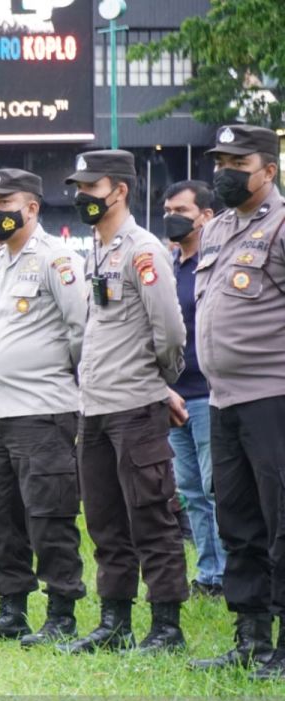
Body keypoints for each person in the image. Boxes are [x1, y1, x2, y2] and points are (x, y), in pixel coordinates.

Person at [60, 149, 189, 655]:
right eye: (79, 188)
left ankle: (166, 627)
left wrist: (159, 383)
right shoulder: (95, 249)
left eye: (91, 188)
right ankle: (115, 622)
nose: (81, 197)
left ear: (119, 191)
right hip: (94, 409)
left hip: (135, 406)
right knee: (106, 521)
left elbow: (171, 333)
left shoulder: (143, 250)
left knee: (151, 518)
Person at [0, 168, 88, 646]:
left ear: (31, 207)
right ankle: (11, 610)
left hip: (43, 410)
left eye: (4, 201)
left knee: (48, 515)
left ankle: (61, 615)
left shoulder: (58, 259)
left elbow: (82, 333)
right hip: (1, 415)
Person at [190, 124, 285, 678]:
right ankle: (250, 635)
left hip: (273, 396)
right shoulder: (218, 227)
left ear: (268, 170)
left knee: (281, 520)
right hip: (223, 401)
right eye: (220, 160)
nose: (224, 171)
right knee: (239, 521)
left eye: (237, 162)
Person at [161, 181, 224, 598]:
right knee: (190, 492)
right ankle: (210, 573)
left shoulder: (216, 263)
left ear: (205, 215)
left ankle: (233, 571)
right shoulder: (168, 264)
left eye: (181, 209)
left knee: (216, 487)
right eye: (167, 208)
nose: (172, 216)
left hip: (208, 391)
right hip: (174, 395)